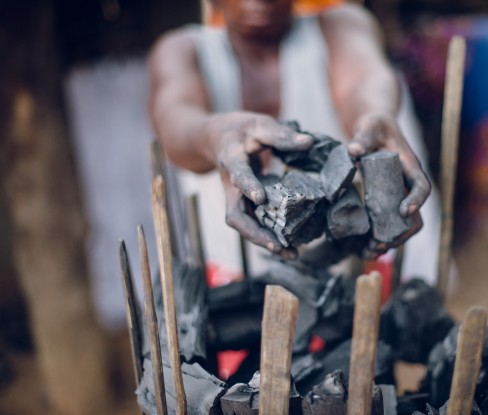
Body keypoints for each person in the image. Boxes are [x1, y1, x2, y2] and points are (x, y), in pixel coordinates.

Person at [148, 0, 440, 281]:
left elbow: (366, 80)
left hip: (349, 271)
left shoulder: (340, 26)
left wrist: (375, 114)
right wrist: (217, 135)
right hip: (232, 272)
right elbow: (176, 119)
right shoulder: (182, 50)